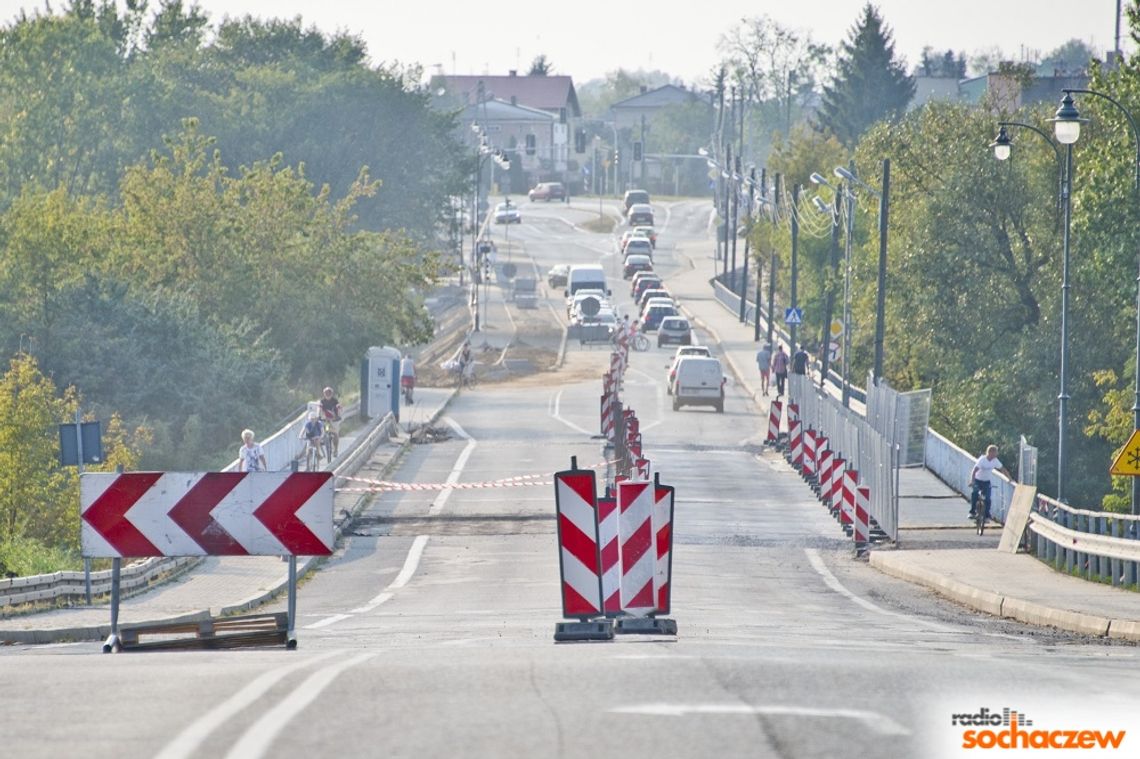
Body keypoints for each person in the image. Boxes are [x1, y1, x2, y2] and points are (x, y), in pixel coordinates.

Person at [969, 445, 1011, 521]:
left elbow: (1003, 469)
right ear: (990, 452)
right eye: (995, 453)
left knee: (987, 498)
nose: (996, 455)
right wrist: (972, 481)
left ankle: (986, 515)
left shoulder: (995, 460)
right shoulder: (982, 460)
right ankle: (972, 512)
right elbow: (974, 470)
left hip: (986, 482)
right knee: (975, 493)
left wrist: (1010, 479)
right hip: (978, 480)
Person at [319, 387, 342, 457]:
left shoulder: (335, 401)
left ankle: (335, 449)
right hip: (326, 420)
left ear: (331, 394)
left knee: (335, 434)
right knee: (326, 429)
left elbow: (338, 408)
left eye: (329, 393)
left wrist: (338, 415)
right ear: (324, 394)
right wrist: (319, 416)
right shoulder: (322, 401)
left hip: (334, 419)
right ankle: (326, 439)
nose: (327, 394)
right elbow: (320, 409)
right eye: (326, 393)